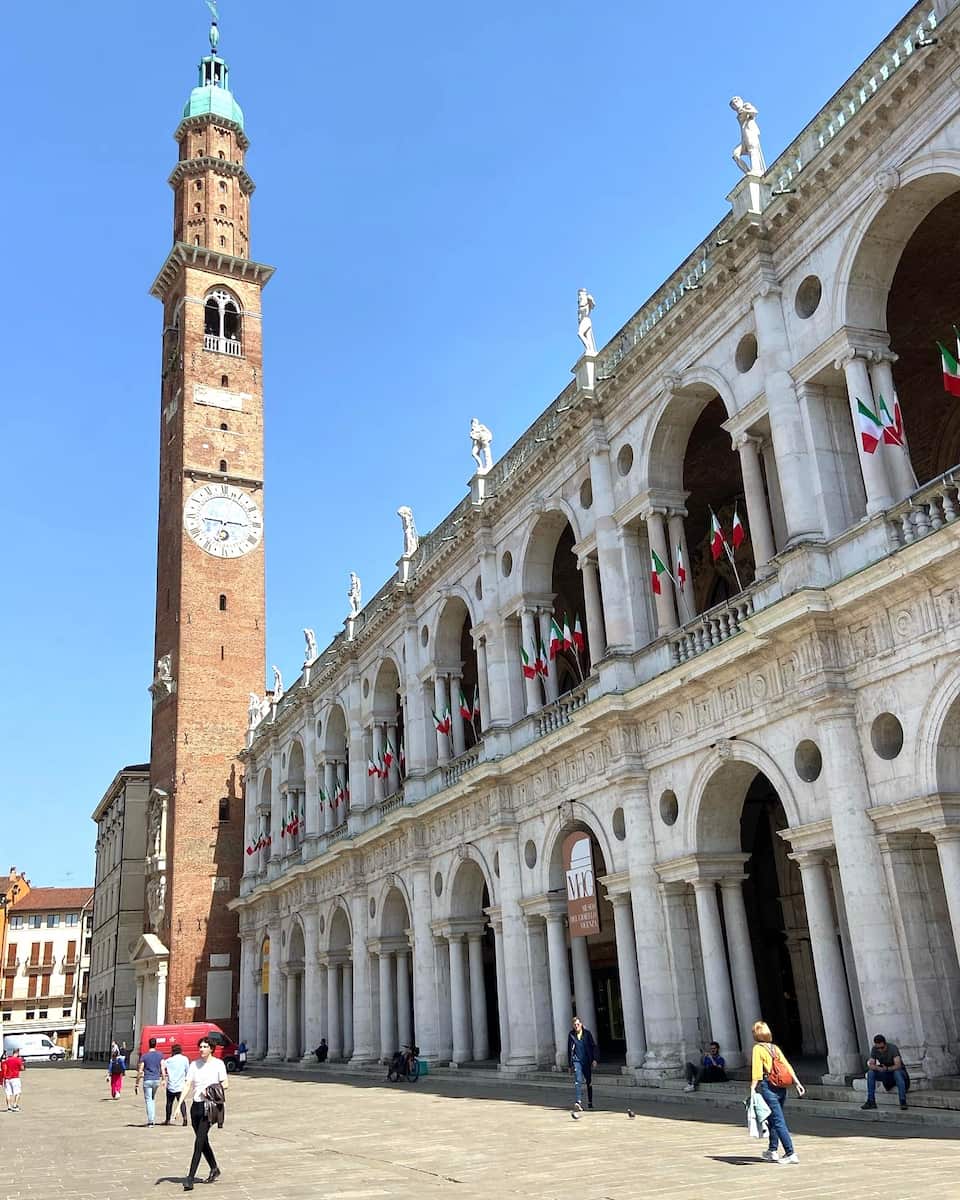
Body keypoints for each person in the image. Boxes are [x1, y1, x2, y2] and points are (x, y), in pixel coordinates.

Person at [750, 1020, 804, 1165]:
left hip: (768, 1086)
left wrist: (752, 1089)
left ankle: (790, 1152)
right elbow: (787, 1065)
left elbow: (756, 1071)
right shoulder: (775, 1048)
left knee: (778, 1121)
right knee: (773, 1119)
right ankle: (772, 1150)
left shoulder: (758, 1049)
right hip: (782, 1086)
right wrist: (797, 1082)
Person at [179, 1035, 228, 1191]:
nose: (202, 1049)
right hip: (196, 1107)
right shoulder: (194, 1064)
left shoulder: (218, 1064)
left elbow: (225, 1084)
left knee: (199, 1142)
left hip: (210, 1108)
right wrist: (179, 1104)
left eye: (205, 1047)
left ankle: (190, 1178)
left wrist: (211, 1090)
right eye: (200, 1046)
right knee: (202, 1140)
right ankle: (214, 1168)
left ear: (211, 1049)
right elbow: (188, 1084)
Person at [861, 1034, 909, 1110]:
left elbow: (898, 1065)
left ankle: (902, 1101)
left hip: (898, 1073)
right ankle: (871, 1101)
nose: (880, 1050)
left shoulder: (892, 1048)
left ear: (885, 1044)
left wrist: (886, 1069)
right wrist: (877, 1068)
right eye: (878, 1048)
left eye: (882, 1048)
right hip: (886, 1073)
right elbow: (871, 1064)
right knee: (871, 1073)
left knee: (897, 1072)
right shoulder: (874, 1049)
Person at [567, 1015, 597, 1112]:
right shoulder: (571, 1035)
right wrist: (570, 1065)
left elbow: (593, 1046)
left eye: (578, 1024)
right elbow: (569, 1050)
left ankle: (590, 1102)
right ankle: (578, 1102)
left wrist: (594, 1059)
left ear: (581, 1024)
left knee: (589, 1081)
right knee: (578, 1080)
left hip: (586, 1060)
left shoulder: (587, 1034)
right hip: (577, 1061)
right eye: (575, 1025)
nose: (576, 1026)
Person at [136, 1036, 164, 1127]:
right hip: (156, 1080)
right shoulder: (160, 1055)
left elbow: (140, 1070)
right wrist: (163, 1079)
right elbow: (163, 1068)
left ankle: (151, 1121)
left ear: (149, 1045)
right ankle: (152, 1119)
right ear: (156, 1044)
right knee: (152, 1099)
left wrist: (136, 1083)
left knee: (149, 1100)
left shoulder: (145, 1056)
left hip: (147, 1080)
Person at [163, 1043, 190, 1126]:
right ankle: (185, 1118)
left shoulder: (168, 1060)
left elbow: (163, 1068)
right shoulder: (185, 1059)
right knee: (181, 1102)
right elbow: (187, 1070)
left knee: (169, 1103)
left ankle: (167, 1119)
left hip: (171, 1085)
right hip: (181, 1085)